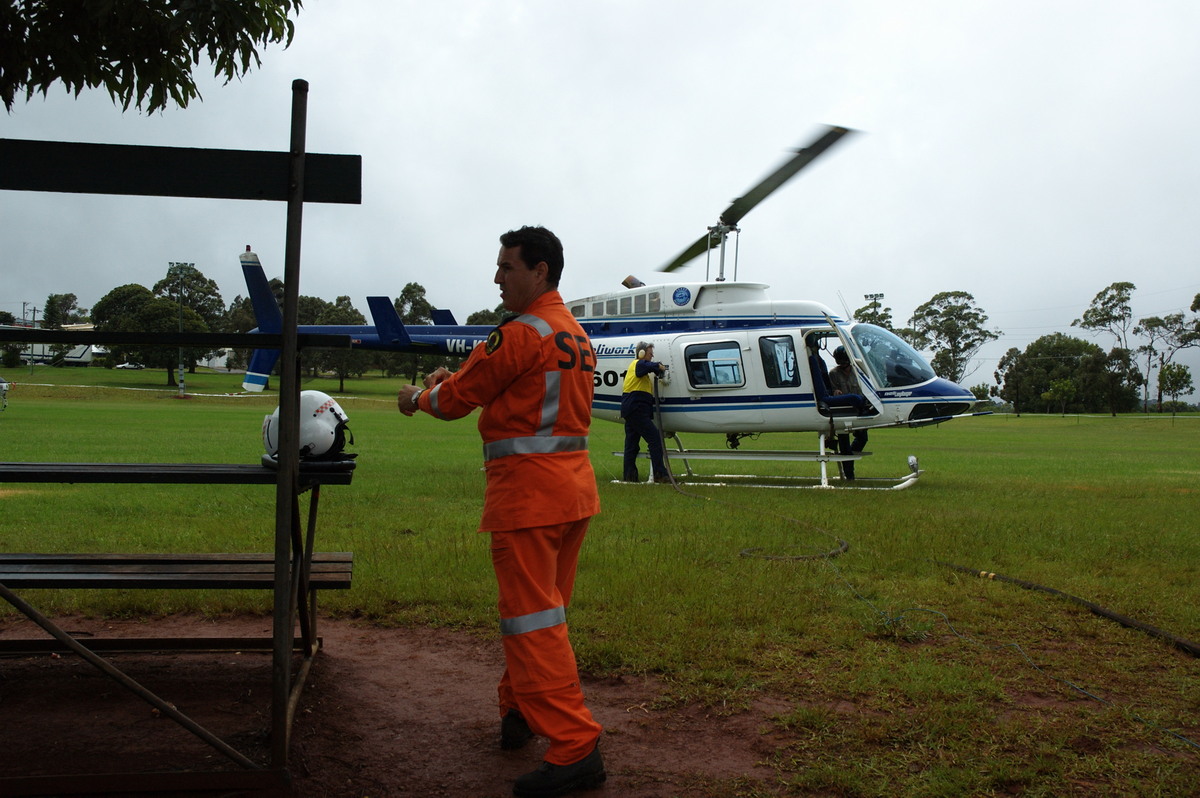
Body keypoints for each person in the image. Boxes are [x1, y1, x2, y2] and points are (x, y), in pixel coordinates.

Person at [396, 226, 605, 797]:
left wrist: (417, 397)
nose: (496, 277)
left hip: (528, 500)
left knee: (531, 621)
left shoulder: (518, 333)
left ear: (539, 271)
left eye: (506, 266)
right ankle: (519, 712)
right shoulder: (574, 333)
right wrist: (459, 380)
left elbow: (454, 401)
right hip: (573, 495)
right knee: (545, 611)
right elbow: (504, 389)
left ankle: (575, 745)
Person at [620, 342, 670, 484]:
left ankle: (629, 476)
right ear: (641, 353)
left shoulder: (637, 368)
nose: (652, 355)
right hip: (636, 409)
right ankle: (660, 474)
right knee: (655, 439)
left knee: (631, 444)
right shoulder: (638, 364)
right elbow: (649, 366)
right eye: (650, 353)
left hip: (631, 409)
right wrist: (659, 367)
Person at [829, 345, 868, 480]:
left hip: (858, 410)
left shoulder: (858, 372)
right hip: (843, 411)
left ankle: (850, 458)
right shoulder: (833, 374)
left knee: (863, 438)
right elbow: (832, 391)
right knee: (844, 444)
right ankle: (849, 475)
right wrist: (835, 393)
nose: (843, 365)